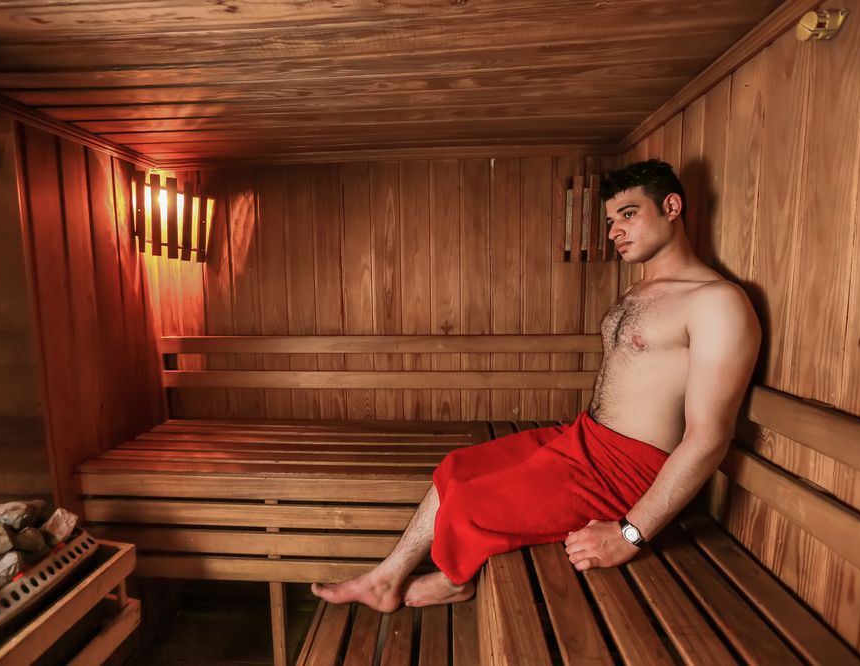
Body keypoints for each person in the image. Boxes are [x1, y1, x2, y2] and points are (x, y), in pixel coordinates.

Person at [311, 159, 761, 611]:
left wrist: (629, 533)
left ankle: (453, 579)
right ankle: (385, 580)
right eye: (610, 221)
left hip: (627, 474)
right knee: (455, 469)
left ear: (671, 206)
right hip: (586, 439)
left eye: (628, 214)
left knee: (467, 504)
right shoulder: (642, 290)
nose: (615, 231)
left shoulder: (717, 303)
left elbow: (708, 438)